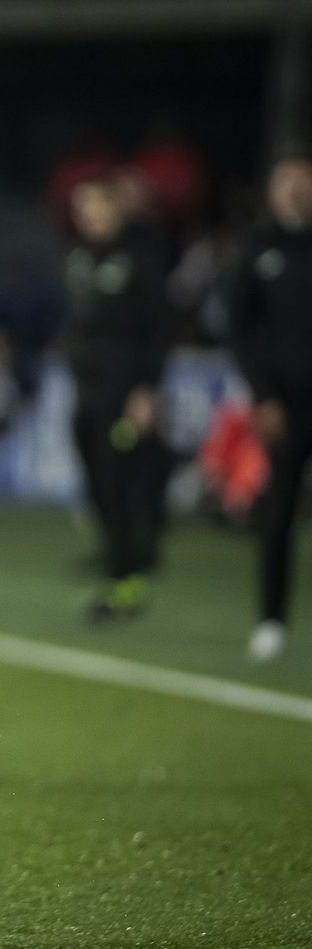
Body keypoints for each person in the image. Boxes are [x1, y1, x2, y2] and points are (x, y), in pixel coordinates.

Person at [61, 175, 171, 622]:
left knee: (121, 481)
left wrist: (147, 389)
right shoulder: (79, 259)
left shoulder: (139, 259)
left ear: (116, 210)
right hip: (87, 391)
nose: (91, 218)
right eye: (83, 210)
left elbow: (159, 328)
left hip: (124, 393)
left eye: (98, 208)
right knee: (96, 484)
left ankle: (127, 579)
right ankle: (118, 565)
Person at [228, 148, 312, 663]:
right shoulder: (257, 250)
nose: (298, 193)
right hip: (286, 405)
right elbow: (240, 329)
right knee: (279, 512)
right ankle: (271, 620)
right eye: (290, 184)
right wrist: (262, 395)